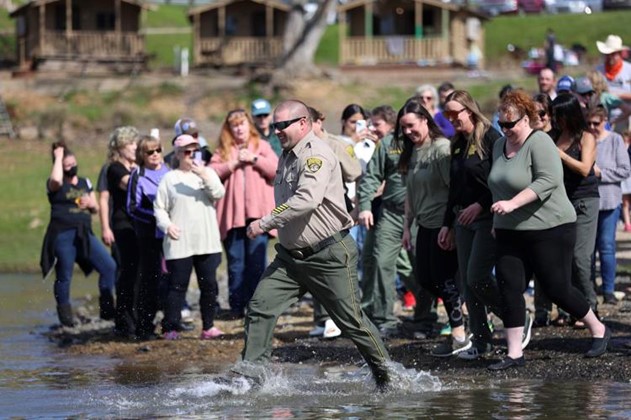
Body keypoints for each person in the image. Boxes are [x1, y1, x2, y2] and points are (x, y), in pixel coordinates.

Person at [242, 100, 391, 389]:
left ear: (303, 123)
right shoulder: (286, 155)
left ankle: (389, 376)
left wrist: (265, 222)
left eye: (283, 125)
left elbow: (306, 199)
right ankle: (250, 375)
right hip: (290, 259)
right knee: (260, 307)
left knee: (352, 322)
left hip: (328, 254)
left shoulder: (317, 154)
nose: (278, 130)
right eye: (275, 126)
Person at [486, 90, 610, 370]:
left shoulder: (539, 141)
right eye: (501, 124)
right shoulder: (499, 147)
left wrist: (513, 204)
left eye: (510, 124)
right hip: (509, 229)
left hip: (550, 226)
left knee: (557, 288)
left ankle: (598, 328)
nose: (505, 130)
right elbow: (497, 186)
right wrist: (498, 220)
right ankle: (514, 353)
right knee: (509, 287)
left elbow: (548, 181)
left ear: (527, 118)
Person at [397, 97, 472, 357]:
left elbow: (454, 190)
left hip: (443, 222)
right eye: (403, 128)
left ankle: (460, 335)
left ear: (425, 121)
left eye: (411, 126)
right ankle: (465, 315)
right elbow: (410, 192)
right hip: (423, 224)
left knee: (444, 279)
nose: (408, 132)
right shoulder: (412, 151)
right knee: (425, 279)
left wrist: (449, 226)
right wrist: (407, 227)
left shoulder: (441, 149)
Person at [439, 90, 505, 360]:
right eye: (447, 114)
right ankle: (482, 341)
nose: (451, 118)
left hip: (487, 215)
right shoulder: (456, 142)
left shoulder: (491, 137)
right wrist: (447, 224)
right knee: (467, 283)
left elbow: (500, 179)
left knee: (478, 276)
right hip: (461, 219)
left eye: (456, 113)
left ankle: (514, 315)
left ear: (470, 110)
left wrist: (480, 203)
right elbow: (454, 188)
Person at [154, 134, 226, 340]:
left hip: (207, 241)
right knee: (177, 286)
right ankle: (170, 328)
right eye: (186, 151)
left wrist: (204, 174)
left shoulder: (207, 173)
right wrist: (167, 225)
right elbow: (159, 208)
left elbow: (219, 193)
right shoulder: (169, 178)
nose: (191, 155)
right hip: (180, 242)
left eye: (195, 151)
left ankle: (208, 327)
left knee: (209, 285)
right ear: (177, 154)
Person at [209, 109, 278, 319]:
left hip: (258, 216)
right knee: (236, 262)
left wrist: (254, 159)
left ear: (249, 125)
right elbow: (211, 173)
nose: (239, 128)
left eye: (242, 123)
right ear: (229, 129)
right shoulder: (223, 150)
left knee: (257, 262)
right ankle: (237, 307)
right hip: (233, 217)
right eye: (234, 125)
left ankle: (257, 306)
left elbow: (277, 169)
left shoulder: (262, 146)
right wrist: (233, 164)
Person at [40, 143, 117, 327]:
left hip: (84, 234)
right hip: (63, 234)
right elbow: (57, 180)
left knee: (109, 267)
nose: (72, 167)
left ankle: (107, 314)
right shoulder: (54, 183)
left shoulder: (85, 182)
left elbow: (96, 208)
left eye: (74, 163)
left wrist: (91, 204)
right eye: (68, 165)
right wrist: (58, 157)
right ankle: (66, 320)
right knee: (64, 275)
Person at [307, 106, 362, 339]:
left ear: (320, 121)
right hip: (310, 216)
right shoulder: (301, 147)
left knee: (336, 265)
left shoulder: (337, 144)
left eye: (311, 122)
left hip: (333, 214)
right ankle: (322, 317)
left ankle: (342, 318)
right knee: (314, 266)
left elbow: (354, 172)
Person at [356, 104, 408, 336]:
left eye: (377, 124)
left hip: (413, 213)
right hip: (384, 212)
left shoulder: (415, 142)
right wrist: (364, 206)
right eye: (370, 124)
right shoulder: (380, 145)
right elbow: (370, 177)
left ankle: (425, 313)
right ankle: (377, 315)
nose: (372, 129)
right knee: (375, 261)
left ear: (390, 123)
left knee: (411, 266)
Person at [550, 93, 600, 324]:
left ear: (568, 114)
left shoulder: (586, 137)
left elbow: (584, 168)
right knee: (564, 259)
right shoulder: (555, 136)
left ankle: (592, 306)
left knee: (581, 258)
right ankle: (575, 309)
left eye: (558, 115)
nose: (555, 119)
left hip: (585, 201)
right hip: (562, 202)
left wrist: (559, 154)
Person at [126, 134, 170, 340]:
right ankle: (144, 326)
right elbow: (132, 208)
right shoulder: (138, 174)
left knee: (172, 277)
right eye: (149, 152)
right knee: (150, 279)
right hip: (149, 235)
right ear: (141, 155)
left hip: (171, 234)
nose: (154, 155)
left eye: (158, 150)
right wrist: (156, 217)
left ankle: (171, 322)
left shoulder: (169, 171)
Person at [589, 104, 631, 305]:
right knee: (587, 251)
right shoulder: (585, 139)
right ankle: (589, 290)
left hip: (609, 201)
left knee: (606, 246)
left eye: (596, 123)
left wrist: (601, 174)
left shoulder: (614, 140)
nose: (592, 126)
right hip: (588, 202)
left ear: (604, 120)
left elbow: (624, 170)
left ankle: (608, 290)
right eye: (588, 123)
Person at [106, 126, 140, 338]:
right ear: (120, 147)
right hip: (123, 225)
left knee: (138, 272)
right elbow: (132, 186)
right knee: (128, 272)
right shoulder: (115, 168)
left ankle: (135, 318)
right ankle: (125, 321)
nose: (135, 147)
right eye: (131, 144)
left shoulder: (135, 166)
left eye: (136, 143)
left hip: (137, 224)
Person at [595, 34, 631, 131]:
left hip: (625, 116)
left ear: (619, 54)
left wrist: (617, 95)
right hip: (603, 119)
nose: (609, 57)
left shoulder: (629, 69)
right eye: (607, 54)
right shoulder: (598, 70)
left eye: (613, 54)